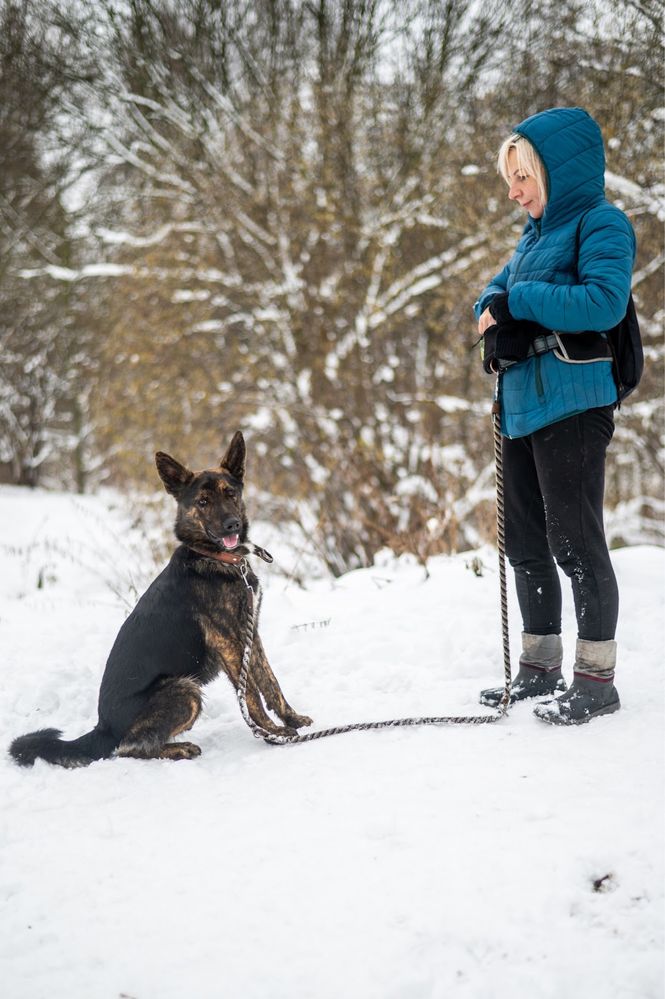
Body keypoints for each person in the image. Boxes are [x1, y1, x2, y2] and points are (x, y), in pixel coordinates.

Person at [474, 106, 636, 725]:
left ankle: (596, 679)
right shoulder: (533, 239)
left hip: (573, 399)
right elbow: (489, 298)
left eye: (523, 177)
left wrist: (516, 304)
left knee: (575, 540)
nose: (514, 193)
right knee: (525, 541)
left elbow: (603, 301)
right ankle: (539, 668)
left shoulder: (602, 223)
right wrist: (497, 308)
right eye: (510, 180)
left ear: (557, 172)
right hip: (520, 405)